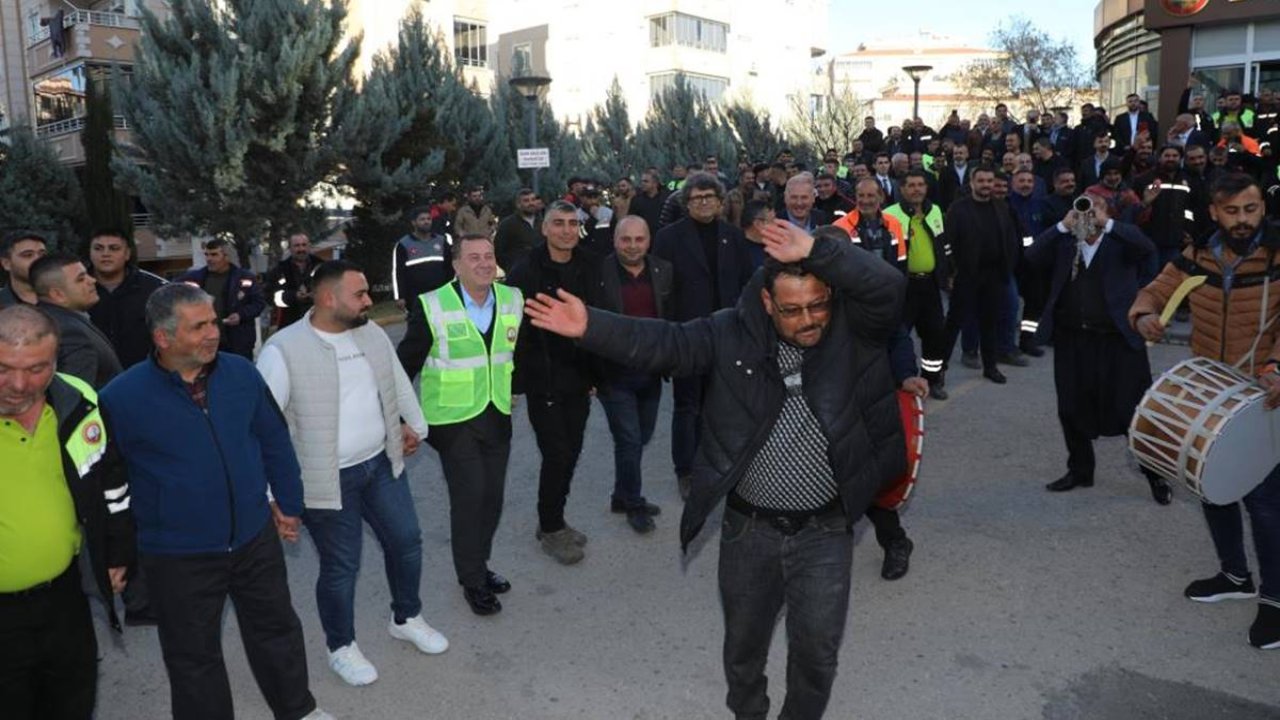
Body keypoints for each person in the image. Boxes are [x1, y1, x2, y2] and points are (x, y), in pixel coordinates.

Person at [525, 220, 907, 720]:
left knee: (817, 655)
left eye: (818, 305)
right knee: (744, 650)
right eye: (792, 311)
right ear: (768, 304)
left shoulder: (854, 330)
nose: (808, 319)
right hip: (750, 531)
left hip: (827, 530)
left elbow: (889, 286)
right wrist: (593, 326)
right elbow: (668, 342)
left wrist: (817, 249)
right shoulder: (731, 333)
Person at [100, 283, 333, 720]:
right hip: (177, 554)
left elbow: (273, 439)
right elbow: (110, 484)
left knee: (277, 630)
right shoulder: (121, 398)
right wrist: (117, 552)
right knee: (193, 657)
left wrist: (289, 501)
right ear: (163, 338)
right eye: (199, 327)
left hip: (252, 537)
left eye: (212, 321)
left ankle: (298, 709)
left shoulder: (242, 374)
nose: (213, 334)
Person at [257, 261, 446, 686]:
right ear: (328, 299)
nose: (368, 301)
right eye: (359, 294)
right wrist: (273, 496)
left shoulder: (371, 333)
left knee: (407, 542)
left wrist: (413, 426)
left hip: (381, 465)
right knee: (341, 566)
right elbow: (263, 428)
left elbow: (394, 382)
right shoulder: (283, 350)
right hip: (326, 480)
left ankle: (407, 617)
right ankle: (340, 646)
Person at [1130, 173, 1280, 650]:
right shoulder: (1197, 255)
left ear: (1262, 209)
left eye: (1250, 209)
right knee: (1213, 489)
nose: (1242, 220)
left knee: (1265, 505)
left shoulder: (1277, 255)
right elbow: (1155, 290)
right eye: (1232, 211)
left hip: (1264, 394)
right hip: (1212, 393)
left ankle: (1276, 601)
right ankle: (1235, 575)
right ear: (1215, 212)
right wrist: (1144, 315)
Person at [0, 305, 134, 720]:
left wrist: (116, 551)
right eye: (3, 367)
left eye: (36, 368)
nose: (18, 384)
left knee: (72, 702)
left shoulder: (79, 401)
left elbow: (111, 480)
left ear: (56, 361)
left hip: (65, 600)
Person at [397, 234, 522, 615]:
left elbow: (522, 352)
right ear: (456, 265)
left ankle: (478, 565)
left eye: (489, 256)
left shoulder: (513, 299)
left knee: (492, 499)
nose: (484, 263)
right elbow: (405, 366)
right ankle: (472, 580)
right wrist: (402, 419)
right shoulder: (433, 305)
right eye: (474, 258)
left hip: (496, 413)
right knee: (470, 499)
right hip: (452, 421)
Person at [1024, 192, 1171, 502]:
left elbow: (1147, 246)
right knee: (1070, 407)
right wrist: (1064, 226)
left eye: (1096, 207)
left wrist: (1106, 223)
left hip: (1117, 339)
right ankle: (1080, 470)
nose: (1088, 214)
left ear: (1108, 213)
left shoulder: (1121, 241)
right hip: (1073, 339)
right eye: (1083, 207)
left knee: (1134, 411)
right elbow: (1031, 257)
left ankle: (1155, 475)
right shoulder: (1066, 242)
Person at [506, 202, 600, 565]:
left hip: (579, 377)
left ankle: (554, 519)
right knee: (557, 453)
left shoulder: (591, 264)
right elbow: (513, 328)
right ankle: (550, 527)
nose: (565, 230)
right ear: (544, 229)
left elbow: (599, 321)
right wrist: (518, 379)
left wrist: (597, 375)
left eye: (572, 223)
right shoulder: (525, 269)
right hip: (541, 378)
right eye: (557, 223)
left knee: (572, 451)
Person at [652, 173, 755, 499]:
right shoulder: (668, 238)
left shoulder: (733, 236)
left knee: (723, 406)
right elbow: (661, 294)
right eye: (697, 198)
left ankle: (720, 464)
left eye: (710, 196)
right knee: (688, 407)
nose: (704, 202)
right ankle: (686, 470)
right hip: (687, 336)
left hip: (726, 334)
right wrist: (667, 341)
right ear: (686, 203)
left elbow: (745, 285)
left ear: (721, 201)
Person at [590, 216, 673, 534]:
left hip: (650, 370)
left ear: (648, 240)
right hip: (613, 373)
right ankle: (634, 503)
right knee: (629, 440)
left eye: (639, 239)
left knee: (643, 436)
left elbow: (671, 317)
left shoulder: (663, 271)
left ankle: (621, 495)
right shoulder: (599, 273)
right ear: (615, 240)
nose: (633, 246)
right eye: (626, 240)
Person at [942, 166, 1022, 384]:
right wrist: (951, 272)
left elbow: (1011, 238)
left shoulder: (1001, 207)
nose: (986, 185)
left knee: (990, 322)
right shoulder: (958, 209)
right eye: (981, 181)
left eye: (989, 181)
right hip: (966, 275)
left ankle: (990, 366)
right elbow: (947, 243)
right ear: (972, 183)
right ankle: (938, 373)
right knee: (953, 323)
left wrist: (1008, 265)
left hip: (995, 275)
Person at [884, 170, 952, 400]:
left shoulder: (935, 211)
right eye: (911, 185)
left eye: (920, 185)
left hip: (930, 284)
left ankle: (932, 380)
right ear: (901, 189)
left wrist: (948, 273)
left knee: (935, 335)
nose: (916, 189)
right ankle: (898, 381)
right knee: (898, 336)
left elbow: (943, 246)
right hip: (903, 287)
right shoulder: (890, 215)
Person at [29, 253, 123, 389]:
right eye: (80, 279)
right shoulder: (69, 332)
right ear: (57, 294)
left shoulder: (49, 321)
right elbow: (74, 397)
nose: (92, 280)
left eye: (87, 275)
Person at [86, 229, 166, 368]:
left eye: (114, 248)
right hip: (92, 378)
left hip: (143, 375)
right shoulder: (75, 288)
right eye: (98, 248)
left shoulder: (155, 289)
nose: (105, 254)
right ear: (90, 253)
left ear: (127, 254)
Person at [175, 238, 265, 359]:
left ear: (226, 256)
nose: (209, 259)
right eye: (206, 254)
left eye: (214, 254)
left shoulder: (244, 277)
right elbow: (173, 293)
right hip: (205, 342)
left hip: (238, 343)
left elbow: (258, 303)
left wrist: (241, 315)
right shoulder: (195, 278)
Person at [391, 206, 455, 311]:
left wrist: (451, 288)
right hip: (415, 297)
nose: (426, 222)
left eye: (428, 219)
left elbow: (451, 267)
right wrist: (399, 296)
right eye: (422, 219)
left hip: (441, 294)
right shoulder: (403, 244)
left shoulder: (441, 241)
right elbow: (398, 272)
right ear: (414, 222)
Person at [264, 231, 323, 329]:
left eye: (304, 245)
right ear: (290, 248)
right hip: (289, 324)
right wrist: (293, 296)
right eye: (297, 246)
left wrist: (316, 295)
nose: (301, 249)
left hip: (319, 324)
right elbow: (269, 296)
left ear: (309, 246)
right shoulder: (279, 270)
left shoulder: (323, 267)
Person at [494, 188, 543, 276]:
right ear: (518, 204)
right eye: (526, 201)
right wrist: (510, 268)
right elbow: (498, 251)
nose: (531, 203)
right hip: (517, 274)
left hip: (541, 273)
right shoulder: (507, 224)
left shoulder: (544, 223)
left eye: (533, 200)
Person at [0, 232, 47, 308]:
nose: (38, 260)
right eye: (28, 255)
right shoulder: (2, 304)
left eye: (42, 255)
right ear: (6, 263)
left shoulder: (65, 301)